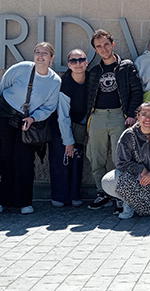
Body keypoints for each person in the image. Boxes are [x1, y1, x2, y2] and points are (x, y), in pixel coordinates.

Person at [0, 42, 61, 215]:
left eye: (44, 53)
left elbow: (49, 107)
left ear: (52, 58)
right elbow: (2, 86)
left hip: (27, 120)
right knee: (3, 156)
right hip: (4, 114)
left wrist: (33, 118)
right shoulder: (21, 68)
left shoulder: (54, 81)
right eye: (37, 52)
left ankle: (23, 201)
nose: (40, 56)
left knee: (25, 160)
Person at [84, 29, 142, 211]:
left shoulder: (126, 67)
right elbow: (89, 96)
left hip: (119, 116)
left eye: (106, 44)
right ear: (95, 49)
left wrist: (132, 114)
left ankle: (121, 196)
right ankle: (102, 192)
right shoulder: (94, 71)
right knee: (96, 157)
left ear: (113, 44)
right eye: (99, 46)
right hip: (98, 116)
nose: (103, 48)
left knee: (121, 158)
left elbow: (136, 91)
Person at [50, 49, 88, 208]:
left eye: (81, 60)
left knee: (77, 161)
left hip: (80, 126)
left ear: (86, 62)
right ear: (68, 64)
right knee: (63, 159)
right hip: (61, 127)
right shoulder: (64, 83)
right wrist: (68, 141)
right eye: (73, 61)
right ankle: (60, 196)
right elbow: (63, 115)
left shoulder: (91, 80)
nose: (78, 63)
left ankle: (74, 194)